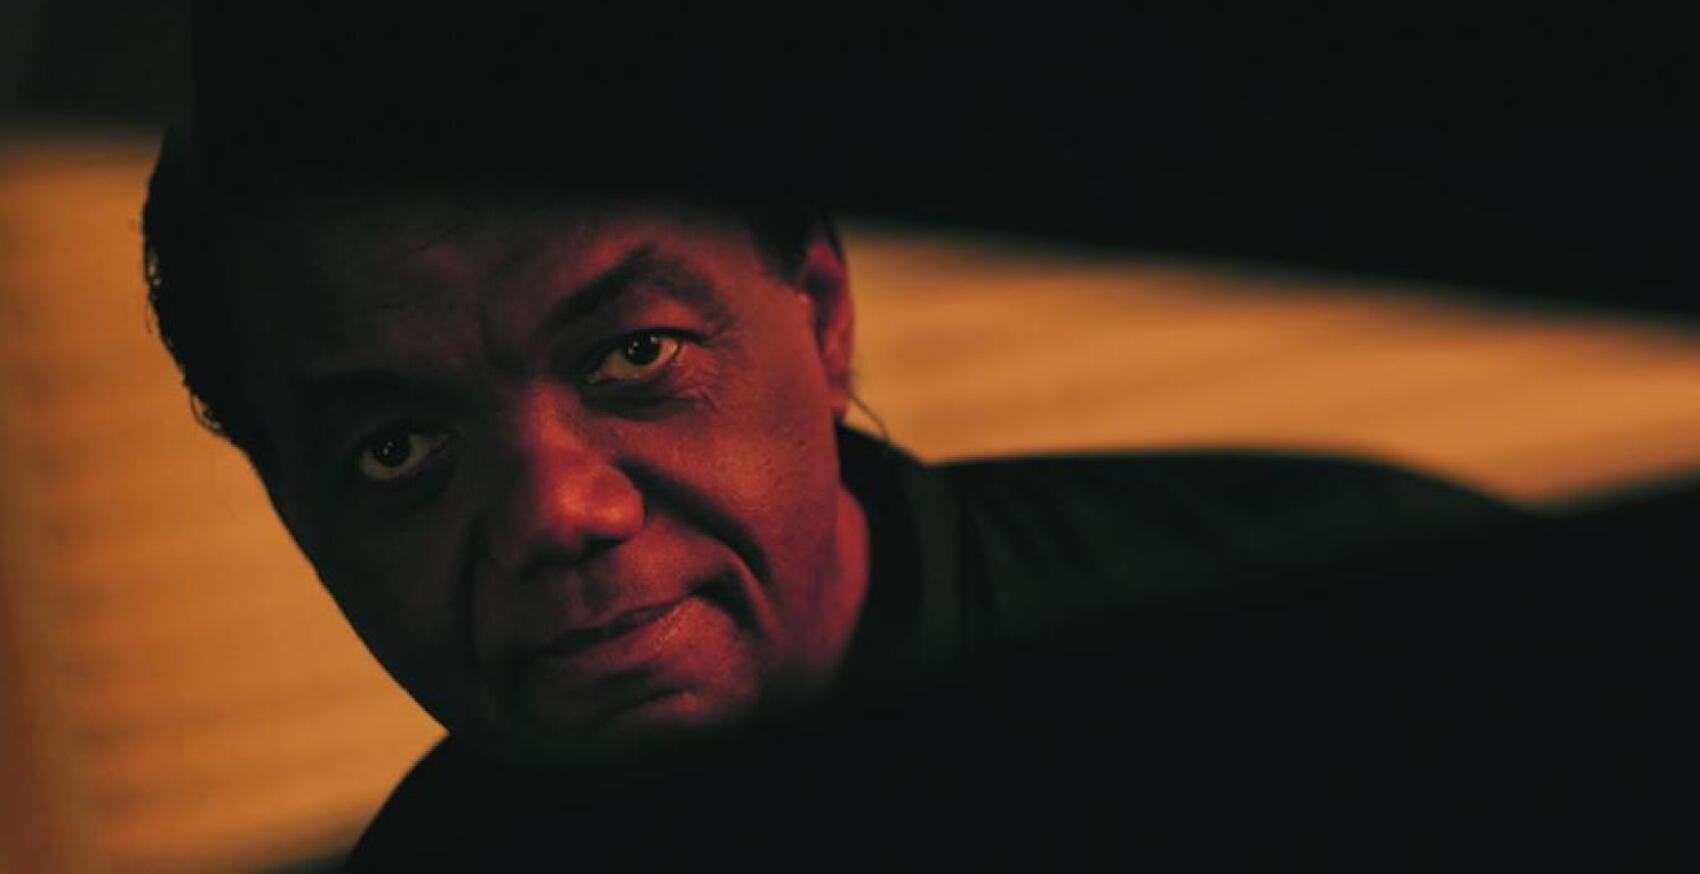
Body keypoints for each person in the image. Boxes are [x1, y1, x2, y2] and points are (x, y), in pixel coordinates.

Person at [143, 9, 1663, 869]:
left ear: (818, 311)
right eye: (399, 448)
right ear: (293, 506)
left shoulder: (1368, 644)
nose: (559, 510)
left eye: (635, 354)